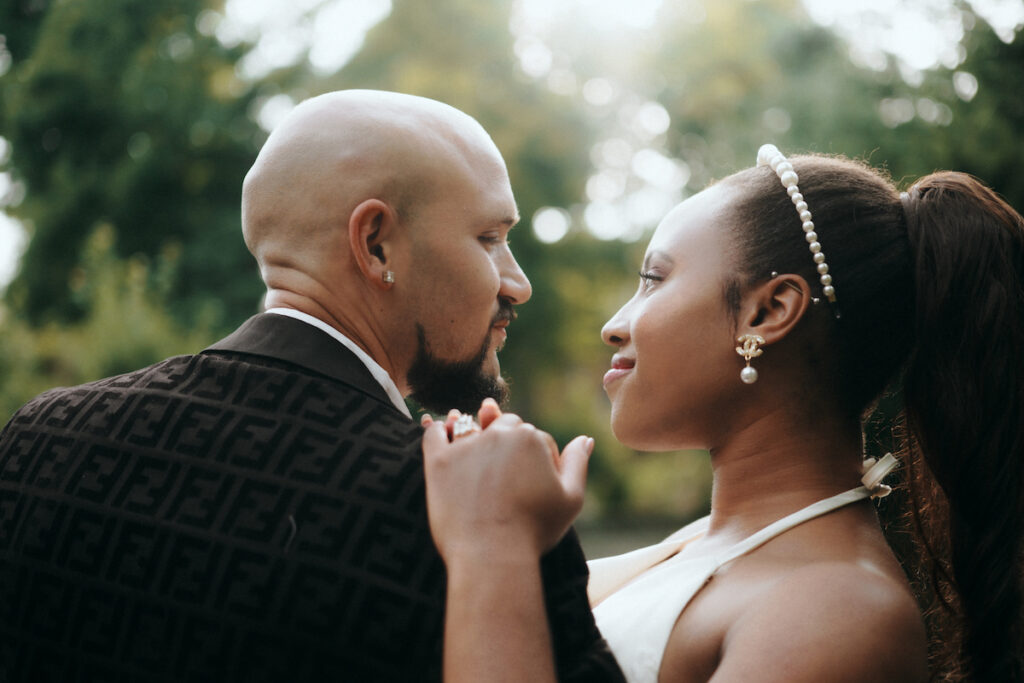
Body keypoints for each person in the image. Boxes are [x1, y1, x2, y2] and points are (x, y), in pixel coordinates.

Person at [0, 90, 624, 682]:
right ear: (375, 245)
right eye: (489, 238)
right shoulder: (479, 513)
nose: (517, 283)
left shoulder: (35, 438)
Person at [422, 146, 1024, 682]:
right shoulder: (703, 546)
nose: (614, 325)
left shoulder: (837, 614)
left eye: (654, 280)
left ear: (769, 312)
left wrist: (492, 548)